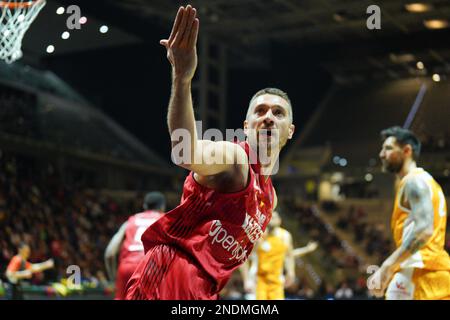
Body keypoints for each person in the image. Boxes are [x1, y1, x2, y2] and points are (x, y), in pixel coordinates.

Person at [125, 4, 295, 300]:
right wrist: (182, 78)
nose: (268, 116)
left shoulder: (271, 198)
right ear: (246, 126)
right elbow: (185, 151)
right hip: (171, 274)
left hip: (204, 290)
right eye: (261, 111)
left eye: (278, 113)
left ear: (290, 130)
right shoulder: (235, 158)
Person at [368, 126, 450, 300]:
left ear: (406, 150)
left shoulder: (413, 182)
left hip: (418, 274)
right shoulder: (429, 181)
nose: (382, 154)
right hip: (436, 274)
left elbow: (424, 230)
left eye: (388, 148)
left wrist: (387, 266)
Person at [104, 191, 166, 300]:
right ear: (162, 207)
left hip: (126, 267)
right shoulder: (166, 219)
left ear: (144, 206)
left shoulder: (131, 221)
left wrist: (114, 279)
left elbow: (110, 253)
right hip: (151, 267)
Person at [244, 211, 318, 300]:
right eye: (270, 216)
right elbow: (244, 257)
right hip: (258, 280)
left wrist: (291, 272)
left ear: (280, 220)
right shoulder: (258, 235)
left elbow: (289, 255)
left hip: (276, 280)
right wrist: (247, 279)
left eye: (274, 217)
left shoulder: (285, 236)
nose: (271, 219)